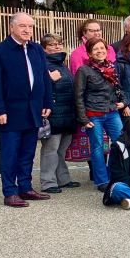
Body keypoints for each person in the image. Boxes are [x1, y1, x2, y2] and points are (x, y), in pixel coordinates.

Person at [74, 38, 127, 192]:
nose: (100, 51)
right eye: (95, 49)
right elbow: (78, 95)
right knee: (97, 148)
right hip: (93, 114)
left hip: (112, 113)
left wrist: (124, 102)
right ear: (90, 53)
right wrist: (83, 118)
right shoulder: (84, 71)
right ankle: (102, 181)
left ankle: (116, 174)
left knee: (120, 143)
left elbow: (120, 89)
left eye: (102, 48)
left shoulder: (112, 67)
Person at [38, 34, 79, 194]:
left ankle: (63, 179)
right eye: (52, 44)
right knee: (50, 150)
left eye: (59, 44)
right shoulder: (42, 64)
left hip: (68, 114)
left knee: (61, 150)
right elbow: (36, 87)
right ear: (44, 48)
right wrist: (49, 79)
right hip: (53, 115)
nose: (57, 47)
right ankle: (48, 182)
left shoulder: (63, 64)